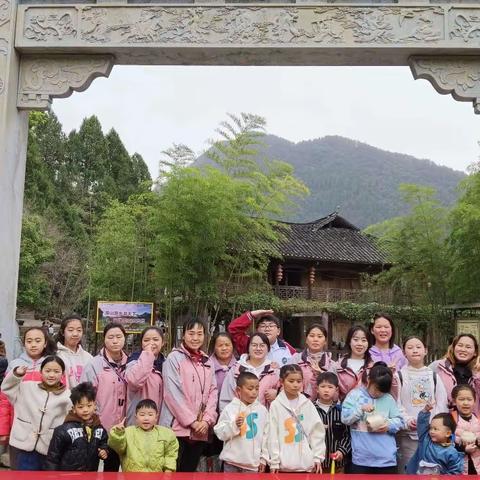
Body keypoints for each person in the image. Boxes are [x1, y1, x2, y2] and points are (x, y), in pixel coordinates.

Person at [160, 319, 218, 472]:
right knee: (171, 472)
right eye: (191, 333)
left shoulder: (207, 362)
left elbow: (213, 392)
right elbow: (172, 393)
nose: (195, 338)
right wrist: (192, 421)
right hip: (177, 429)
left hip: (200, 430)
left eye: (199, 334)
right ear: (183, 335)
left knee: (188, 472)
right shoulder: (174, 358)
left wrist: (206, 421)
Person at [1, 355, 71, 470]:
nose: (51, 375)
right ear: (41, 372)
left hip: (50, 447)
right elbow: (7, 388)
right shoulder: (27, 387)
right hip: (25, 445)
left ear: (62, 374)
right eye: (47, 371)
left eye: (56, 371)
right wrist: (16, 375)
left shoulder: (68, 396)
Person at [396, 336, 449, 473]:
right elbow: (397, 404)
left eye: (418, 347)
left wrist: (434, 425)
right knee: (408, 471)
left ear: (425, 350)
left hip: (431, 437)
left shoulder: (433, 376)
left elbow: (441, 404)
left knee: (430, 471)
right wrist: (407, 421)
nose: (415, 350)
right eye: (410, 347)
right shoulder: (399, 376)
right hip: (407, 436)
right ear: (403, 352)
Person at [341, 361, 404, 474]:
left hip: (386, 460)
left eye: (382, 391)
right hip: (361, 460)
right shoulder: (354, 396)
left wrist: (388, 425)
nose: (378, 394)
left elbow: (400, 421)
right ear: (369, 380)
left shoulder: (388, 399)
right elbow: (345, 418)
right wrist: (360, 409)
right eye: (376, 389)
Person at [80, 322, 128, 472]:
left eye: (119, 337)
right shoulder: (94, 364)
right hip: (102, 426)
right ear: (104, 339)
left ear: (124, 339)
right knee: (104, 468)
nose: (115, 341)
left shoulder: (132, 363)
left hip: (127, 426)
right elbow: (85, 394)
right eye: (111, 337)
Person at [267, 364, 326, 473]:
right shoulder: (276, 405)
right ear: (281, 381)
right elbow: (272, 434)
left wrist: (317, 456)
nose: (295, 385)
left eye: (299, 381)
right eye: (291, 381)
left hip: (306, 465)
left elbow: (316, 431)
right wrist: (274, 461)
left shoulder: (307, 404)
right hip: (283, 465)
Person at [46, 381, 108, 471]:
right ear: (74, 408)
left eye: (89, 405)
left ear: (95, 405)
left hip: (90, 475)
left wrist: (104, 450)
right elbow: (52, 459)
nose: (85, 410)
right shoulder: (63, 430)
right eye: (80, 407)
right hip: (67, 477)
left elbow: (103, 443)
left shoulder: (100, 429)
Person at [214, 371, 269, 472]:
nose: (254, 392)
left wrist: (263, 458)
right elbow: (220, 433)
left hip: (252, 466)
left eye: (257, 389)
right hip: (231, 463)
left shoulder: (262, 410)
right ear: (238, 390)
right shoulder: (230, 408)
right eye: (250, 388)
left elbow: (266, 436)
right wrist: (234, 425)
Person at [109, 399, 179, 472]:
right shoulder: (128, 432)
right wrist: (118, 433)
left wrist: (168, 472)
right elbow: (118, 448)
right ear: (136, 417)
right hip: (132, 476)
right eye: (142, 415)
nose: (146, 418)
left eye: (150, 414)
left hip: (157, 476)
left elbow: (170, 456)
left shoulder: (166, 434)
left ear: (156, 417)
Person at [220, 333, 279, 411]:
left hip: (265, 420)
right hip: (239, 419)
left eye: (262, 345)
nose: (258, 348)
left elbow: (285, 397)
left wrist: (277, 394)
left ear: (268, 349)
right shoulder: (236, 369)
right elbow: (226, 399)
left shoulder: (274, 371)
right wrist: (232, 419)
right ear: (248, 348)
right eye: (254, 345)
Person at [206, 331, 236, 471]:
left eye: (227, 345)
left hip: (233, 421)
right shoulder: (206, 366)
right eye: (220, 345)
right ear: (214, 347)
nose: (224, 348)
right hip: (210, 419)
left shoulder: (240, 367)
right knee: (209, 456)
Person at [406, 404, 464, 474]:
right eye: (431, 428)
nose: (431, 431)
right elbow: (422, 424)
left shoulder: (451, 452)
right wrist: (425, 411)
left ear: (447, 433)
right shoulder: (425, 440)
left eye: (435, 429)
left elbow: (455, 471)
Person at [430, 334, 480, 414]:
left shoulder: (477, 372)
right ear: (453, 348)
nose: (463, 349)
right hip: (443, 420)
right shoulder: (437, 366)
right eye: (460, 345)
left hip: (472, 421)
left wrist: (477, 374)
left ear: (475, 352)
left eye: (468, 347)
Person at [125, 326, 165, 426]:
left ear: (162, 342)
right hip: (138, 421)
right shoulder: (134, 361)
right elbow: (135, 381)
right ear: (142, 343)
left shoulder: (166, 363)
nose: (151, 343)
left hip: (159, 421)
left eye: (155, 339)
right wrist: (148, 355)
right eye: (146, 340)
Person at [228, 310, 295, 366]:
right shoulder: (249, 344)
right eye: (263, 326)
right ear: (257, 330)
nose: (267, 329)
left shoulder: (287, 348)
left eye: (271, 326)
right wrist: (252, 315)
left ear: (278, 331)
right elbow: (233, 329)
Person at [314, 372, 351, 473]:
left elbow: (347, 435)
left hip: (337, 465)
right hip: (315, 465)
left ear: (336, 390)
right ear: (317, 389)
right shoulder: (310, 410)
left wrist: (342, 451)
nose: (326, 390)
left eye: (330, 387)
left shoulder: (341, 411)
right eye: (323, 386)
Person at [329, 325, 372, 401]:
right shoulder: (337, 367)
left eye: (364, 340)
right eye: (356, 340)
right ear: (349, 341)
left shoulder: (373, 367)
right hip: (343, 410)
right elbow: (332, 393)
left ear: (368, 343)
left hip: (368, 410)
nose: (360, 344)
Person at [291, 324, 332, 401]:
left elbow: (334, 389)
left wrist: (321, 374)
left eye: (319, 336)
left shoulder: (331, 363)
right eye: (312, 336)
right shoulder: (296, 359)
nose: (315, 339)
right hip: (298, 403)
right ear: (306, 339)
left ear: (325, 341)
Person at [56, 314, 93, 388]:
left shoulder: (89, 358)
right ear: (62, 332)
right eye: (70, 330)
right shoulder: (55, 355)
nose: (75, 334)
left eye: (79, 330)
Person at [450, 384, 480, 474]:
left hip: (477, 468)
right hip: (458, 468)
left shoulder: (478, 420)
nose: (466, 403)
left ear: (474, 401)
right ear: (454, 401)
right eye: (461, 399)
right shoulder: (449, 419)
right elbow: (446, 441)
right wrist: (463, 449)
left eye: (469, 399)